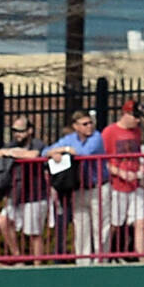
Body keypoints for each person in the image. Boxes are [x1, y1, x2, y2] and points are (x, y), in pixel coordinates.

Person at [0, 119, 53, 260]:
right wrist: (14, 152)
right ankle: (17, 256)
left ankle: (38, 268)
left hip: (35, 194)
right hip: (16, 194)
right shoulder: (12, 145)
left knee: (34, 234)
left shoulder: (37, 143)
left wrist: (13, 153)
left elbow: (34, 155)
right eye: (15, 131)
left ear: (29, 131)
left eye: (20, 131)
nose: (17, 134)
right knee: (3, 221)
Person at [46, 110, 102, 261]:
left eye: (90, 123)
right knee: (81, 227)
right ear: (76, 126)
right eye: (85, 124)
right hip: (79, 190)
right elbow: (46, 151)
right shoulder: (69, 139)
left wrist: (67, 151)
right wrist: (59, 152)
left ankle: (101, 260)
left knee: (100, 228)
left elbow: (84, 153)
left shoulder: (96, 137)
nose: (89, 126)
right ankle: (82, 261)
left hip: (98, 187)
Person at [99, 101, 144, 258]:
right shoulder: (109, 132)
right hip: (117, 186)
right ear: (125, 114)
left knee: (141, 223)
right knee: (114, 224)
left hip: (135, 184)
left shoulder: (137, 132)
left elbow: (138, 154)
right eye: (135, 117)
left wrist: (141, 167)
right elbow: (101, 160)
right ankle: (104, 256)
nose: (138, 121)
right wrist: (119, 172)